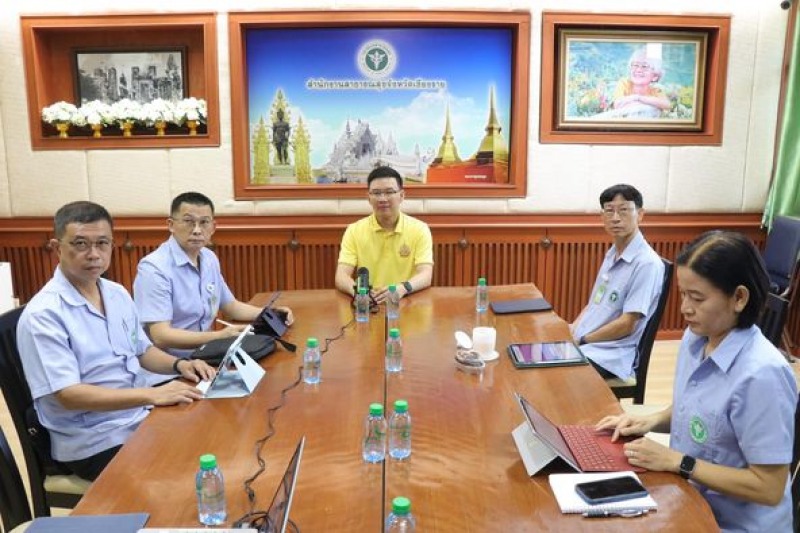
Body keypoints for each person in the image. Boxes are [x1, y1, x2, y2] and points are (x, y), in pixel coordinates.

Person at [596, 231, 797, 532]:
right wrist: (646, 422)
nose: (684, 308)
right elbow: (696, 409)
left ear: (739, 298)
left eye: (697, 298)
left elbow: (768, 487)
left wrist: (679, 462)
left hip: (731, 524)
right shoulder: (696, 338)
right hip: (689, 501)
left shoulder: (762, 374)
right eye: (682, 293)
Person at [16, 201, 215, 481]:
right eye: (80, 244)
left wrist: (181, 364)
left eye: (102, 243)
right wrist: (153, 394)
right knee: (181, 475)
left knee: (214, 435)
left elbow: (142, 351)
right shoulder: (44, 314)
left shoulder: (116, 293)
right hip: (93, 440)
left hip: (136, 415)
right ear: (56, 247)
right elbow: (68, 395)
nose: (94, 254)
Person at [133, 192, 293, 384]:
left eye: (204, 222)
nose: (197, 230)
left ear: (214, 227)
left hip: (207, 359)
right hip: (168, 370)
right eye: (189, 222)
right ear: (171, 225)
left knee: (272, 378)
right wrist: (218, 336)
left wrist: (270, 313)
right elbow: (161, 336)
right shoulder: (154, 268)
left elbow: (231, 306)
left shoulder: (208, 258)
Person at [571, 184, 664, 380]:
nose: (615, 218)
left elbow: (626, 324)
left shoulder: (646, 263)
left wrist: (582, 339)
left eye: (623, 210)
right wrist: (573, 329)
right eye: (609, 211)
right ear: (601, 216)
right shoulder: (613, 253)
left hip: (610, 354)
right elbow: (593, 303)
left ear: (640, 214)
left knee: (553, 373)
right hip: (588, 342)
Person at [335, 166, 433, 305]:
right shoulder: (354, 230)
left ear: (402, 195)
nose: (382, 198)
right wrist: (360, 293)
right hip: (369, 303)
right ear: (368, 197)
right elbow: (341, 276)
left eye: (389, 192)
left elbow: (426, 275)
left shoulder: (419, 229)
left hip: (405, 300)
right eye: (376, 193)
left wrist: (402, 288)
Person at [594, 47, 671, 119]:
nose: (638, 70)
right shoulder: (624, 83)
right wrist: (644, 101)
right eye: (635, 65)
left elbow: (667, 105)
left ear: (655, 76)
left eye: (644, 66)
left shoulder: (656, 90)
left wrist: (639, 98)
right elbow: (618, 104)